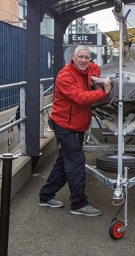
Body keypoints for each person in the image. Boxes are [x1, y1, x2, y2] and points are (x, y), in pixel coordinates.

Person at [39, 45, 112, 216]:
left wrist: (94, 76)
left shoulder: (86, 69)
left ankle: (46, 195)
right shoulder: (65, 76)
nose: (84, 61)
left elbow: (96, 67)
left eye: (87, 57)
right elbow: (80, 98)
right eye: (80, 57)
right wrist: (103, 91)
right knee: (76, 162)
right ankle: (79, 203)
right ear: (73, 57)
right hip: (65, 126)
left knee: (64, 163)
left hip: (77, 125)